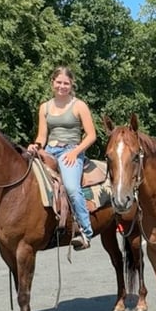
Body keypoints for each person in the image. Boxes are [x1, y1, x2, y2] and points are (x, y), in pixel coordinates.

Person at [27, 66, 96, 251]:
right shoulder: (45, 107)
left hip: (71, 150)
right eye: (59, 82)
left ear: (71, 84)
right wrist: (36, 146)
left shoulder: (79, 105)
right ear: (52, 83)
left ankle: (85, 231)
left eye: (66, 83)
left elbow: (91, 135)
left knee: (72, 188)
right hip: (49, 150)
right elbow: (42, 135)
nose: (62, 86)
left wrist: (75, 153)